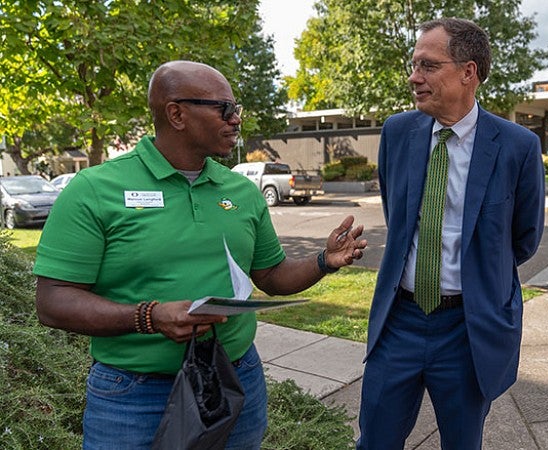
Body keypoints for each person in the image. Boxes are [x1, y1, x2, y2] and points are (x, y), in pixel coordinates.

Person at [32, 60, 367, 449]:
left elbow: (272, 274)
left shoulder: (240, 191)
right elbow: (52, 301)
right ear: (177, 113)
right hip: (135, 395)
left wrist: (324, 261)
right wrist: (149, 317)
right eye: (224, 108)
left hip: (235, 376)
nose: (236, 119)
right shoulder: (94, 189)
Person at [356, 18, 545, 449]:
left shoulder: (517, 145)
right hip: (399, 321)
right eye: (413, 64)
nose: (413, 76)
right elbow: (398, 216)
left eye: (427, 65)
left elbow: (525, 238)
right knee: (375, 441)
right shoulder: (397, 132)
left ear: (468, 72)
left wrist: (476, 278)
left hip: (468, 327)